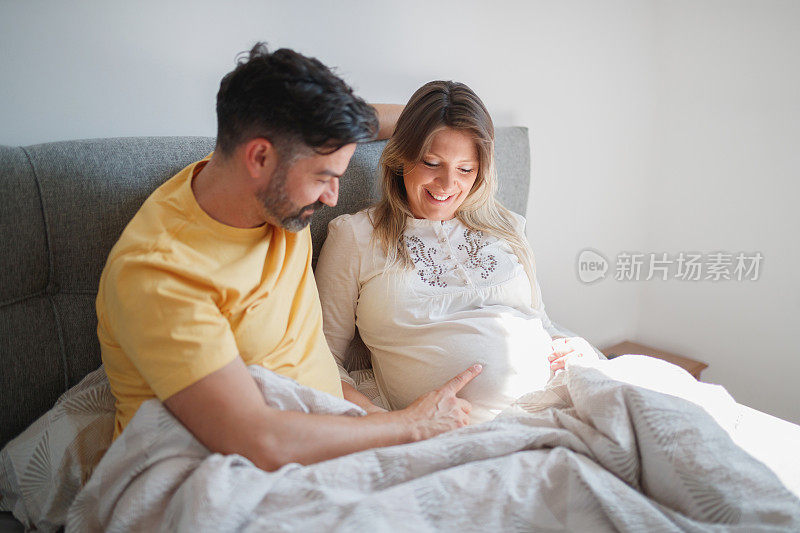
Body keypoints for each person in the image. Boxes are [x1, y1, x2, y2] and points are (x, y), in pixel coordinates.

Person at [96, 44, 484, 473]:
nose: (332, 197)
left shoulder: (262, 167)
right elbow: (256, 440)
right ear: (259, 158)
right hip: (219, 467)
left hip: (326, 430)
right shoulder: (160, 272)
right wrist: (409, 425)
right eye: (323, 177)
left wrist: (452, 136)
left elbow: (404, 121)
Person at [316, 80, 597, 423]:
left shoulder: (509, 227)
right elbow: (320, 357)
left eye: (465, 169)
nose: (448, 185)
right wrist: (380, 419)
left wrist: (577, 351)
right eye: (432, 163)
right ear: (402, 157)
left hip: (558, 402)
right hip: (454, 430)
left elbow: (543, 323)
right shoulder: (355, 236)